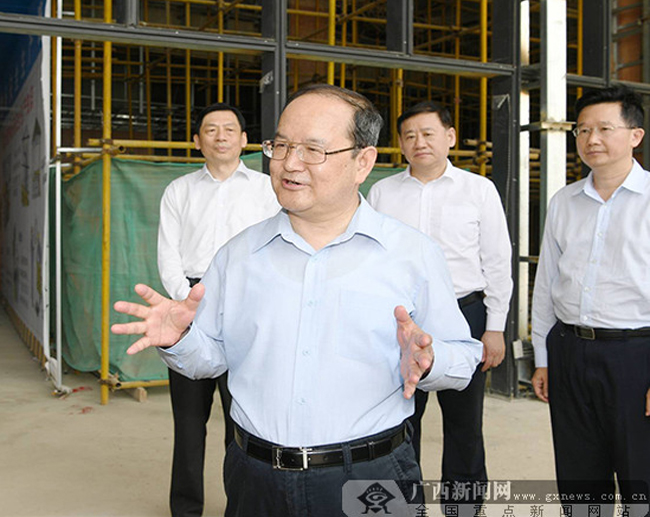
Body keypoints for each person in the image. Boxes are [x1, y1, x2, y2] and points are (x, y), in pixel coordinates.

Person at [113, 84, 483, 517]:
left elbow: (463, 358)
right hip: (255, 478)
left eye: (313, 149)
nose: (289, 163)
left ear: (363, 162)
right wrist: (179, 340)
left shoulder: (411, 254)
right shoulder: (238, 255)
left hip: (371, 478)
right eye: (282, 145)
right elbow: (210, 358)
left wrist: (431, 361)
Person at [367, 101, 512, 512]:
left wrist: (495, 327)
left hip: (466, 316)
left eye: (428, 133)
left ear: (450, 137)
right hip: (400, 320)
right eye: (410, 135)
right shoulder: (382, 192)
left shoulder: (478, 190)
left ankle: (462, 508)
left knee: (465, 424)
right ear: (400, 144)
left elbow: (497, 262)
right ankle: (403, 506)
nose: (419, 142)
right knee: (399, 421)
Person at [157, 102, 280, 517]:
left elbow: (275, 251)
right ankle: (185, 509)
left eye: (230, 129)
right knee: (188, 422)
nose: (221, 136)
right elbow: (168, 256)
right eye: (211, 129)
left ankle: (240, 507)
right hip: (189, 310)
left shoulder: (266, 189)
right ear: (197, 141)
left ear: (245, 140)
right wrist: (191, 304)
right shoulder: (179, 191)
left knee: (243, 423)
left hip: (249, 308)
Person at [531, 85, 649, 516]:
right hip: (570, 351)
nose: (591, 139)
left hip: (636, 356)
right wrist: (543, 357)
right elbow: (547, 283)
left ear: (635, 135)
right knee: (580, 480)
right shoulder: (564, 202)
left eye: (603, 129)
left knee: (641, 478)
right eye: (582, 130)